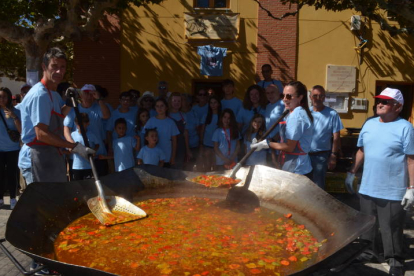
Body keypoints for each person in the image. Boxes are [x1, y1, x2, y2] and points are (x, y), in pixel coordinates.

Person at [345, 88, 414, 276]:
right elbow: (362, 150)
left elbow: (411, 159)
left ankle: (395, 260)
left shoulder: (405, 127)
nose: (380, 104)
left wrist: (411, 188)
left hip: (392, 189)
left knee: (391, 227)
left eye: (386, 101)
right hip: (368, 186)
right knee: (368, 224)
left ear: (398, 107)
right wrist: (352, 172)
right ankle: (369, 253)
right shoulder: (369, 124)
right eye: (379, 101)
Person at [20, 47, 94, 184]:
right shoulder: (39, 95)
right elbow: (41, 134)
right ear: (44, 67)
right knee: (42, 204)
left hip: (51, 155)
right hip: (37, 157)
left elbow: (58, 115)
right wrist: (74, 147)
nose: (59, 71)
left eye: (62, 67)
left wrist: (70, 103)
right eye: (54, 66)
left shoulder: (53, 94)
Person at [251, 81, 313, 176]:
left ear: (300, 97)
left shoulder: (297, 115)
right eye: (283, 95)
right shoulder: (291, 111)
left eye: (288, 96)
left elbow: (289, 147)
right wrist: (264, 142)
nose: (284, 99)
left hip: (297, 168)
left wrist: (267, 144)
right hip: (293, 164)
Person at [63, 84, 110, 176]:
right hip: (78, 157)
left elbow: (106, 115)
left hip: (98, 155)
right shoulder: (74, 109)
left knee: (101, 184)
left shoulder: (99, 107)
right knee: (78, 187)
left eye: (92, 94)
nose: (89, 96)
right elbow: (66, 128)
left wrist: (99, 99)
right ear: (81, 95)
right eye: (86, 93)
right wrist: (71, 144)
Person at [309, 85, 343, 189]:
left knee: (318, 186)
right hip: (305, 155)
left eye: (321, 96)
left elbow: (336, 137)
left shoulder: (332, 114)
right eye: (315, 96)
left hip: (321, 156)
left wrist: (333, 155)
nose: (317, 99)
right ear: (310, 97)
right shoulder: (306, 112)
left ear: (324, 98)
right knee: (304, 184)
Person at [0, 87, 21, 210]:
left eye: (4, 96)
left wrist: (14, 116)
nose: (2, 99)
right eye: (0, 96)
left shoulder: (16, 111)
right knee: (0, 174)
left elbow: (21, 130)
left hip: (13, 148)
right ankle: (0, 198)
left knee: (12, 174)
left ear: (8, 98)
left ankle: (13, 198)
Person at [143, 98, 179, 167]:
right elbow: (145, 138)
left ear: (166, 107)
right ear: (155, 108)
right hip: (152, 157)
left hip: (166, 155)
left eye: (162, 106)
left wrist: (173, 157)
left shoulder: (171, 122)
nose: (159, 108)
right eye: (157, 106)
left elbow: (174, 141)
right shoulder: (151, 121)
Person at [71, 113, 100, 180]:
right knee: (78, 187)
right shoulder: (73, 135)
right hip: (76, 166)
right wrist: (71, 150)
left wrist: (94, 150)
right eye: (78, 123)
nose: (79, 125)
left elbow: (97, 144)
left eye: (82, 123)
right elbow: (69, 148)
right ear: (75, 123)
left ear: (87, 123)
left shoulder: (91, 135)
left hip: (89, 166)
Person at [168, 92, 191, 170]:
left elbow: (186, 132)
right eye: (174, 101)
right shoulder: (166, 114)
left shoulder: (184, 115)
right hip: (168, 144)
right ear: (170, 102)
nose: (176, 103)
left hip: (181, 145)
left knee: (178, 168)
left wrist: (187, 150)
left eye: (179, 101)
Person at [265, 84, 285, 167]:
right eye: (268, 93)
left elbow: (285, 125)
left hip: (278, 145)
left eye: (272, 92)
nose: (270, 95)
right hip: (269, 146)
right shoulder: (268, 106)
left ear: (278, 93)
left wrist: (275, 138)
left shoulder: (283, 105)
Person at [200, 95, 221, 171]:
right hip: (207, 144)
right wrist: (201, 143)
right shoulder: (206, 116)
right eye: (211, 103)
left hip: (218, 146)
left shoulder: (222, 116)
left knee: (216, 167)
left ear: (218, 104)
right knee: (207, 166)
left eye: (215, 102)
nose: (213, 105)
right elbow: (202, 130)